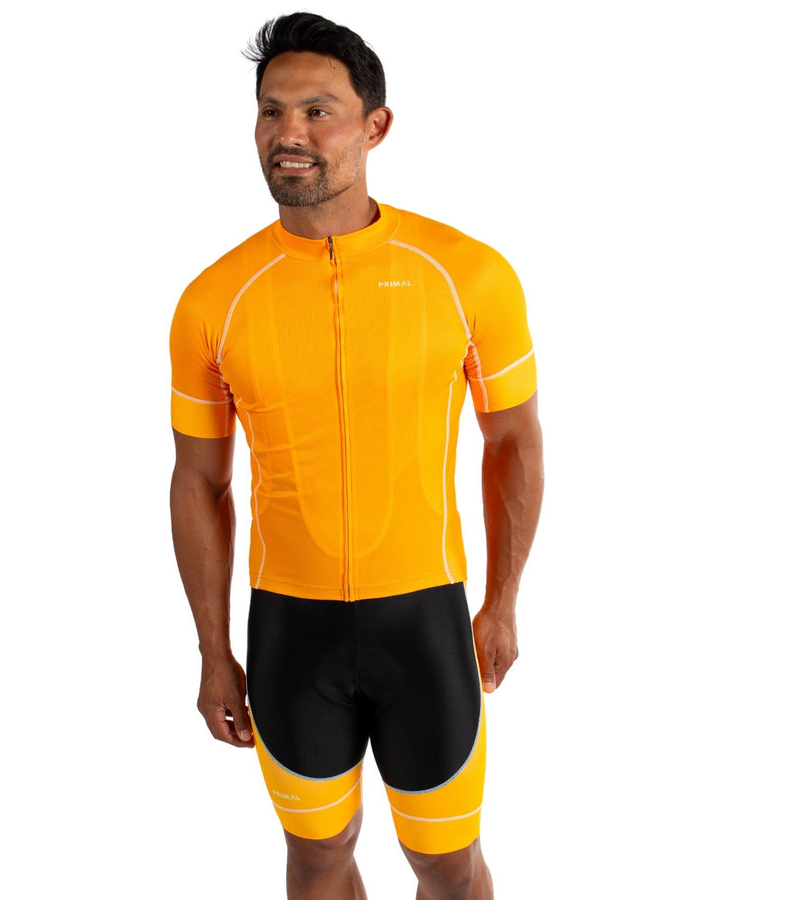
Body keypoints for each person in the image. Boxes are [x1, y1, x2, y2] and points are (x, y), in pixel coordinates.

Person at [169, 12, 543, 899]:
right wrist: (213, 650)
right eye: (271, 111)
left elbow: (513, 441)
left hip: (426, 619)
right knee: (317, 853)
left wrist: (501, 602)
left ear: (375, 126)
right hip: (289, 627)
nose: (288, 133)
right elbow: (199, 480)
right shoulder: (214, 299)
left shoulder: (468, 273)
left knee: (447, 863)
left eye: (317, 111)